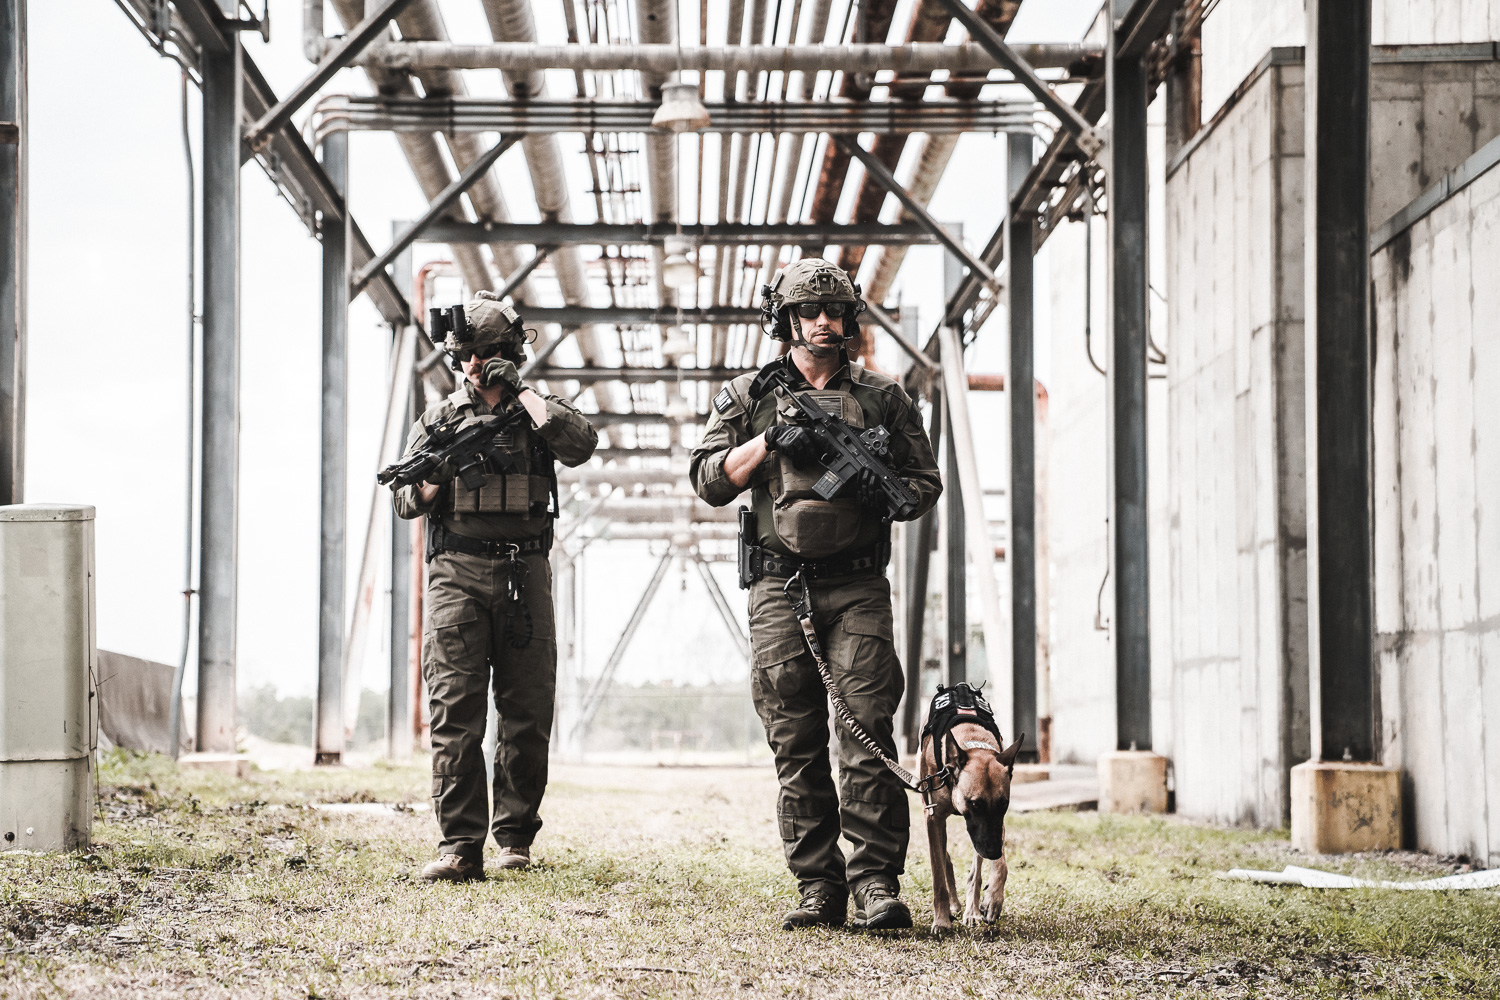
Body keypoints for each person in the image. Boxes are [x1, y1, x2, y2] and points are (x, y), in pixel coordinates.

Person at [689, 258, 942, 930]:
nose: (824, 324)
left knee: (867, 732)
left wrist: (871, 480)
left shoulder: (885, 399)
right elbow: (709, 478)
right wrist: (768, 441)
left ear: (849, 318)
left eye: (834, 312)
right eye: (809, 312)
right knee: (794, 740)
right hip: (778, 584)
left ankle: (877, 884)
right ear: (787, 319)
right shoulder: (748, 395)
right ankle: (818, 887)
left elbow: (922, 487)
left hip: (858, 583)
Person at [392, 291, 598, 882]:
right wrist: (432, 481)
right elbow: (406, 499)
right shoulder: (438, 422)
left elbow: (580, 444)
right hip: (457, 570)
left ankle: (514, 838)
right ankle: (459, 845)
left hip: (525, 571)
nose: (472, 368)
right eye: (464, 357)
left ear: (509, 353)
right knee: (455, 709)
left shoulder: (537, 413)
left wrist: (524, 393)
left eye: (485, 355)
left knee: (526, 708)